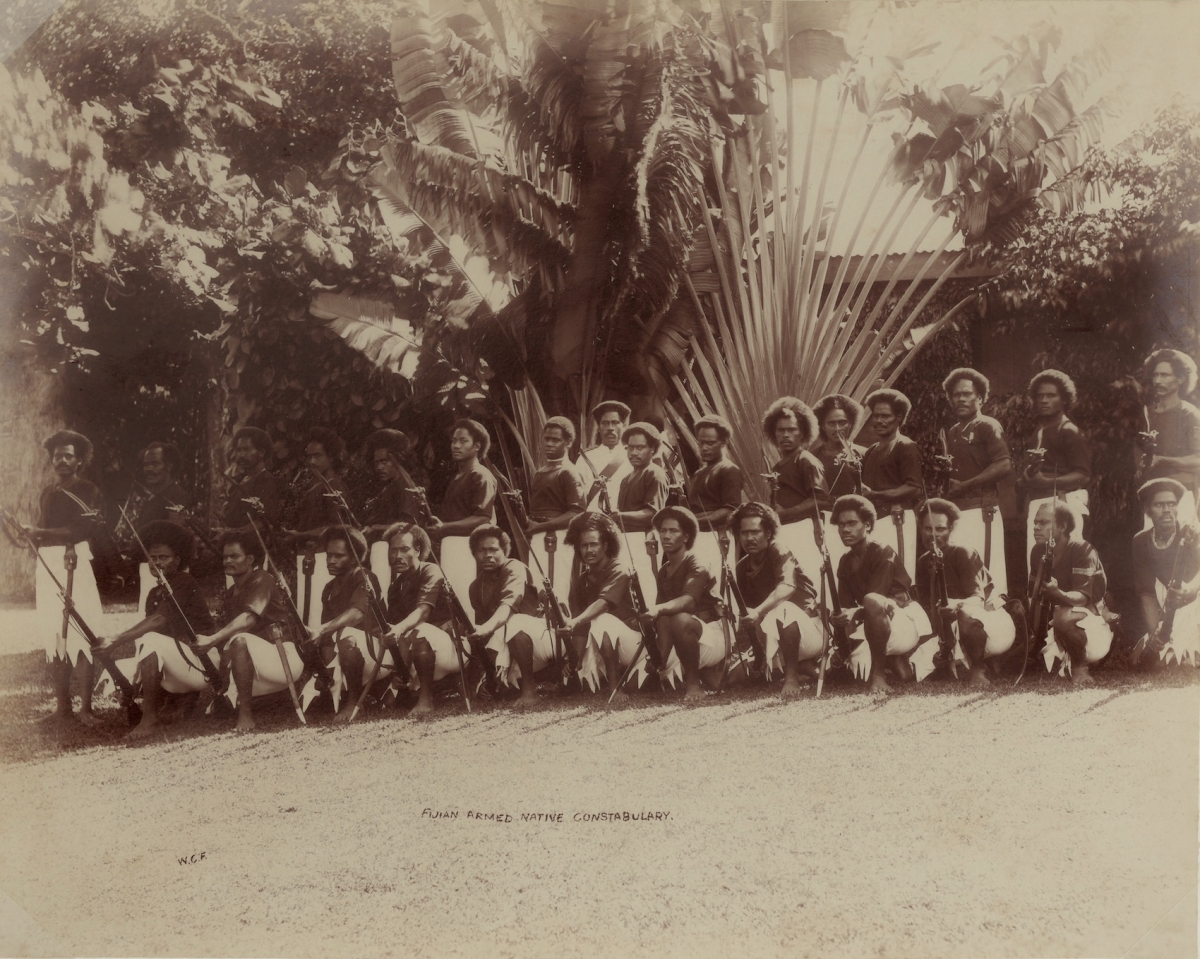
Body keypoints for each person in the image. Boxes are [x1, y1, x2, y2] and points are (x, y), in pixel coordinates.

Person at [95, 521, 215, 739]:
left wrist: (115, 640)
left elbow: (158, 621)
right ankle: (172, 701)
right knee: (124, 667)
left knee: (149, 638)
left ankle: (149, 719)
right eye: (153, 557)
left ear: (177, 561)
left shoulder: (184, 581)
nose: (157, 562)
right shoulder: (153, 593)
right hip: (180, 663)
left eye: (164, 557)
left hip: (202, 662)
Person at [25, 430, 105, 725]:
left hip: (76, 561)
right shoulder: (47, 492)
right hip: (48, 563)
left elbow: (80, 530)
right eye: (57, 456)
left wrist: (40, 533)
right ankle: (63, 708)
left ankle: (86, 708)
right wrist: (31, 537)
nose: (61, 460)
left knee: (82, 632)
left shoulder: (87, 489)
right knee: (54, 633)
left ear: (79, 460)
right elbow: (43, 531)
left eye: (68, 455)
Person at [194, 530, 303, 732]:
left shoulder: (262, 579)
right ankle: (233, 699)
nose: (227, 560)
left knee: (239, 639)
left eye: (234, 556)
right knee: (234, 643)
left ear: (250, 559)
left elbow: (248, 619)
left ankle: (245, 716)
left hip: (283, 658)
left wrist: (212, 639)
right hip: (255, 660)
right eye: (225, 556)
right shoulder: (231, 592)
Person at [829, 494, 932, 694]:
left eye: (852, 523)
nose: (845, 530)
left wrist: (854, 614)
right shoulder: (845, 561)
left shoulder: (883, 551)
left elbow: (876, 601)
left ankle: (879, 675)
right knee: (850, 668)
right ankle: (895, 662)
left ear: (867, 525)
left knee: (871, 601)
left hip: (901, 618)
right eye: (841, 525)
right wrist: (839, 617)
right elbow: (847, 606)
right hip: (874, 621)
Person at [911, 499, 1015, 685]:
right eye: (928, 529)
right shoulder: (923, 561)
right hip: (951, 628)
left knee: (965, 615)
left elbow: (978, 599)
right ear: (920, 529)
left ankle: (979, 669)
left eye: (940, 529)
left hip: (987, 623)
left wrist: (955, 604)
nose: (933, 535)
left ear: (951, 529)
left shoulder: (962, 552)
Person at [730, 502, 822, 697]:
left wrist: (758, 612)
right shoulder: (741, 567)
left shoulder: (778, 550)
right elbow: (750, 616)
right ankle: (801, 665)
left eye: (755, 532)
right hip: (776, 636)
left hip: (809, 631)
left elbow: (787, 587)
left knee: (783, 609)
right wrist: (758, 653)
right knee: (735, 677)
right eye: (744, 533)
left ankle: (791, 677)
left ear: (769, 533)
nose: (749, 538)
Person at [639, 506, 725, 701]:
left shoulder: (698, 561)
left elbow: (687, 602)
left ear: (686, 537)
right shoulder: (664, 571)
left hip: (712, 637)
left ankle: (693, 684)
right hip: (681, 639)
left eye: (673, 531)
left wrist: (657, 609)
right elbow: (661, 618)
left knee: (679, 618)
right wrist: (658, 657)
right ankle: (665, 670)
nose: (666, 536)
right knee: (637, 681)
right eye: (662, 530)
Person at [381, 523, 466, 715]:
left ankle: (426, 699)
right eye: (393, 551)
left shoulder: (430, 570)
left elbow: (423, 612)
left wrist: (399, 630)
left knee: (420, 632)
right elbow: (396, 625)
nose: (397, 556)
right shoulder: (395, 586)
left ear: (418, 551)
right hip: (417, 647)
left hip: (450, 645)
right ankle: (403, 686)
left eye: (404, 549)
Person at [941, 368, 1012, 594]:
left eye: (967, 393)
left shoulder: (988, 425)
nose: (961, 398)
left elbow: (1004, 464)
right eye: (956, 394)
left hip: (983, 510)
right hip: (958, 512)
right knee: (963, 573)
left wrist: (966, 485)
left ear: (979, 398)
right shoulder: (952, 431)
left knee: (987, 574)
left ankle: (996, 626)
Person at [561, 512, 643, 699]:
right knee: (579, 682)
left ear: (606, 545)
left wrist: (575, 621)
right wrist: (577, 658)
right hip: (604, 645)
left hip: (634, 645)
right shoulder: (582, 580)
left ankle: (615, 687)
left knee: (602, 619)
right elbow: (580, 627)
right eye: (584, 545)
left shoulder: (619, 569)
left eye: (593, 544)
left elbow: (603, 604)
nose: (588, 550)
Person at [307, 526, 386, 720]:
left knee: (345, 636)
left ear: (354, 557)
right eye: (329, 555)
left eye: (339, 556)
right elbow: (326, 634)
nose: (331, 560)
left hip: (376, 651)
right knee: (318, 642)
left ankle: (354, 702)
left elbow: (357, 613)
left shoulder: (366, 577)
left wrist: (322, 629)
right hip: (346, 652)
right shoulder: (329, 588)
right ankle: (331, 692)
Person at [1030, 501, 1113, 684]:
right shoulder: (1037, 552)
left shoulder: (1082, 549)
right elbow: (1035, 599)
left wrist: (1057, 593)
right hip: (1059, 618)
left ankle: (1080, 667)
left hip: (1090, 616)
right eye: (1035, 522)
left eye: (1044, 523)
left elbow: (1082, 598)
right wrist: (1037, 634)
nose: (1036, 527)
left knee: (1063, 616)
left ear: (1062, 527)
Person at [426, 418, 498, 625]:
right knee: (453, 604)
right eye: (454, 440)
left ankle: (472, 654)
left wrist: (445, 527)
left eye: (463, 441)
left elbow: (483, 518)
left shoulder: (480, 475)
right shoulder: (458, 477)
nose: (456, 445)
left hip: (467, 549)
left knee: (466, 607)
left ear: (477, 446)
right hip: (452, 548)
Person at [468, 525, 549, 707]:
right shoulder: (475, 587)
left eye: (493, 549)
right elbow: (485, 637)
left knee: (515, 621)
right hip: (510, 648)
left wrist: (485, 628)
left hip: (540, 641)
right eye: (481, 550)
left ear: (504, 551)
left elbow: (508, 606)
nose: (487, 555)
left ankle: (530, 691)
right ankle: (500, 681)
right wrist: (483, 676)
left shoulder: (515, 567)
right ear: (474, 554)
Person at [1017, 370, 1092, 555]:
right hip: (1037, 504)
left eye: (1051, 395)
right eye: (1040, 396)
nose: (1044, 400)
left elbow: (1083, 475)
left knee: (1063, 561)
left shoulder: (1069, 431)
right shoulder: (1038, 432)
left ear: (1064, 399)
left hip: (1062, 502)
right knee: (1035, 562)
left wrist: (1047, 482)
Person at [283, 427, 351, 631]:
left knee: (316, 614)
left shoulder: (334, 487)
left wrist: (299, 535)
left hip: (323, 560)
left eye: (318, 456)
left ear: (332, 457)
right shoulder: (316, 485)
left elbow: (337, 528)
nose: (312, 462)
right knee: (306, 612)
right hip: (308, 558)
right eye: (309, 456)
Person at [1130, 478, 1200, 669]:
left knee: (1186, 660)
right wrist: (1156, 635)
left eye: (1171, 504)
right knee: (1142, 659)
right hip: (1168, 607)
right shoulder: (1141, 541)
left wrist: (1191, 589)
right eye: (1159, 505)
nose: (1167, 509)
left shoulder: (1191, 533)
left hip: (1196, 602)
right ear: (1147, 510)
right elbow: (1146, 593)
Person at [120, 441, 193, 612]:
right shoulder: (150, 500)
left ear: (168, 466)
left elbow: (176, 535)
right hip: (151, 567)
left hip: (167, 568)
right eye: (146, 465)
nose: (149, 469)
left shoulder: (178, 496)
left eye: (155, 463)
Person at [762, 397, 827, 584]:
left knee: (808, 577)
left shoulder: (806, 461)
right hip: (785, 531)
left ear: (802, 433)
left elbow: (822, 500)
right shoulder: (778, 466)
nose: (785, 435)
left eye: (791, 430)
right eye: (780, 430)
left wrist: (786, 514)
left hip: (804, 530)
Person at [859, 389, 922, 578]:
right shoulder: (871, 451)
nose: (879, 421)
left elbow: (914, 487)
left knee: (899, 576)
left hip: (897, 520)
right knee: (879, 576)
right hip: (876, 522)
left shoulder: (906, 446)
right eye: (875, 416)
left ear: (899, 418)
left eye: (885, 416)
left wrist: (876, 495)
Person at [526, 416, 587, 602]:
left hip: (555, 538)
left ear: (568, 442)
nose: (549, 444)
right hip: (538, 537)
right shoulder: (540, 472)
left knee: (554, 591)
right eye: (547, 439)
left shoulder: (568, 472)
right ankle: (543, 630)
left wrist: (541, 527)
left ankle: (559, 630)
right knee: (537, 587)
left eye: (556, 440)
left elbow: (577, 513)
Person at [1138, 349, 1200, 524]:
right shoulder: (1146, 413)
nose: (1158, 381)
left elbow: (1198, 459)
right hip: (1152, 494)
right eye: (1155, 375)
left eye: (1165, 375)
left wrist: (1163, 461)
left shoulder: (1189, 414)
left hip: (1181, 494)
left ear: (1180, 379)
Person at [613, 421, 670, 604]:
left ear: (652, 449)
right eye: (630, 448)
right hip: (626, 540)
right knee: (629, 595)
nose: (634, 453)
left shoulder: (655, 473)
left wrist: (619, 516)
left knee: (648, 591)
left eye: (640, 447)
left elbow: (654, 514)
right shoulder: (626, 479)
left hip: (646, 541)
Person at [811, 393, 867, 571]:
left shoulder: (863, 454)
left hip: (857, 523)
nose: (837, 428)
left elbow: (869, 493)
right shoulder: (813, 457)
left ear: (850, 423)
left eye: (842, 422)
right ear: (822, 426)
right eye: (831, 423)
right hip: (826, 523)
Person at [685, 415, 745, 578]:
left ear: (724, 442)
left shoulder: (729, 471)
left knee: (717, 588)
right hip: (697, 538)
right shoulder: (698, 474)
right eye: (701, 443)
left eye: (710, 443)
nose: (704, 448)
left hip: (717, 538)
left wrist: (692, 522)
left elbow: (730, 510)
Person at [360, 429, 422, 586]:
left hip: (395, 553)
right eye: (376, 463)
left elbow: (409, 526)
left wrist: (375, 528)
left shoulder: (405, 486)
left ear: (398, 459)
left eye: (385, 461)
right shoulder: (390, 486)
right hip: (383, 551)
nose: (379, 467)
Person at [220, 427, 282, 534]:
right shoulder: (240, 481)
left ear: (261, 452)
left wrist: (234, 532)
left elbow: (265, 521)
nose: (241, 455)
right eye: (239, 450)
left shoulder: (266, 480)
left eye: (246, 449)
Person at [577, 400, 633, 511]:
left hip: (624, 521)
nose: (610, 428)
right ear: (598, 427)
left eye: (615, 422)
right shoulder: (585, 458)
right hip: (592, 522)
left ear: (624, 426)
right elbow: (577, 496)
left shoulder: (632, 456)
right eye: (605, 423)